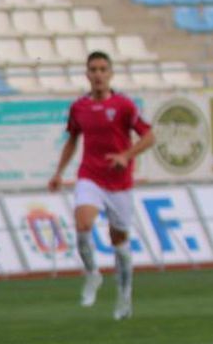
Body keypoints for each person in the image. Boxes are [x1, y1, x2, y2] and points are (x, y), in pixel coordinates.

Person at [47, 50, 154, 319]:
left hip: (119, 183)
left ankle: (124, 295)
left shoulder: (124, 105)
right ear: (87, 74)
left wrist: (126, 156)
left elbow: (149, 136)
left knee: (119, 242)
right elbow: (72, 140)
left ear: (110, 74)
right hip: (90, 176)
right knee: (83, 224)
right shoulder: (79, 108)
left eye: (102, 69)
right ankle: (92, 274)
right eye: (93, 70)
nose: (98, 74)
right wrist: (58, 173)